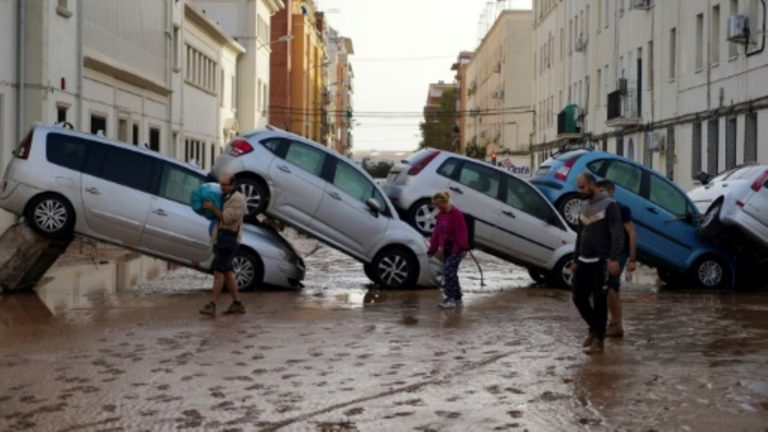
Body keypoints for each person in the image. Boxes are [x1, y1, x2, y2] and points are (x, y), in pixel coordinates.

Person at [571, 173, 624, 354]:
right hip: (584, 260)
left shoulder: (610, 205)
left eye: (582, 187)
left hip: (602, 261)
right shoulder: (584, 206)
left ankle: (599, 342)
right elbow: (579, 235)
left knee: (600, 301)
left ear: (592, 185)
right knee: (578, 297)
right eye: (579, 188)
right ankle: (595, 328)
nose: (580, 191)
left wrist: (614, 259)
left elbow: (617, 234)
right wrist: (575, 259)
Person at [199, 173, 247, 316]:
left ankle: (212, 305)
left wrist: (212, 208)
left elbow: (226, 218)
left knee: (218, 272)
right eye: (221, 184)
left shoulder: (238, 200)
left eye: (225, 185)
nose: (222, 187)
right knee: (227, 273)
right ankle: (237, 304)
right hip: (221, 239)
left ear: (233, 185)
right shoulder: (225, 196)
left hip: (229, 241)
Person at [597, 179, 637, 338]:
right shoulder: (599, 209)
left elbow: (632, 232)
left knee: (610, 287)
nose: (601, 195)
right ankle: (616, 324)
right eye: (599, 192)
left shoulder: (621, 208)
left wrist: (632, 258)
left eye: (604, 192)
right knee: (612, 289)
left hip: (619, 253)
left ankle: (615, 325)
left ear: (612, 191)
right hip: (606, 253)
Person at [428, 191, 469, 309]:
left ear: (445, 202)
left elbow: (462, 232)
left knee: (448, 271)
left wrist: (463, 248)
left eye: (438, 205)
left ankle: (450, 298)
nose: (437, 207)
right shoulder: (440, 215)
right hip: (446, 249)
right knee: (451, 273)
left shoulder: (456, 214)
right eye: (436, 205)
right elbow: (436, 233)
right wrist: (432, 248)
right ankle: (457, 298)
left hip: (457, 248)